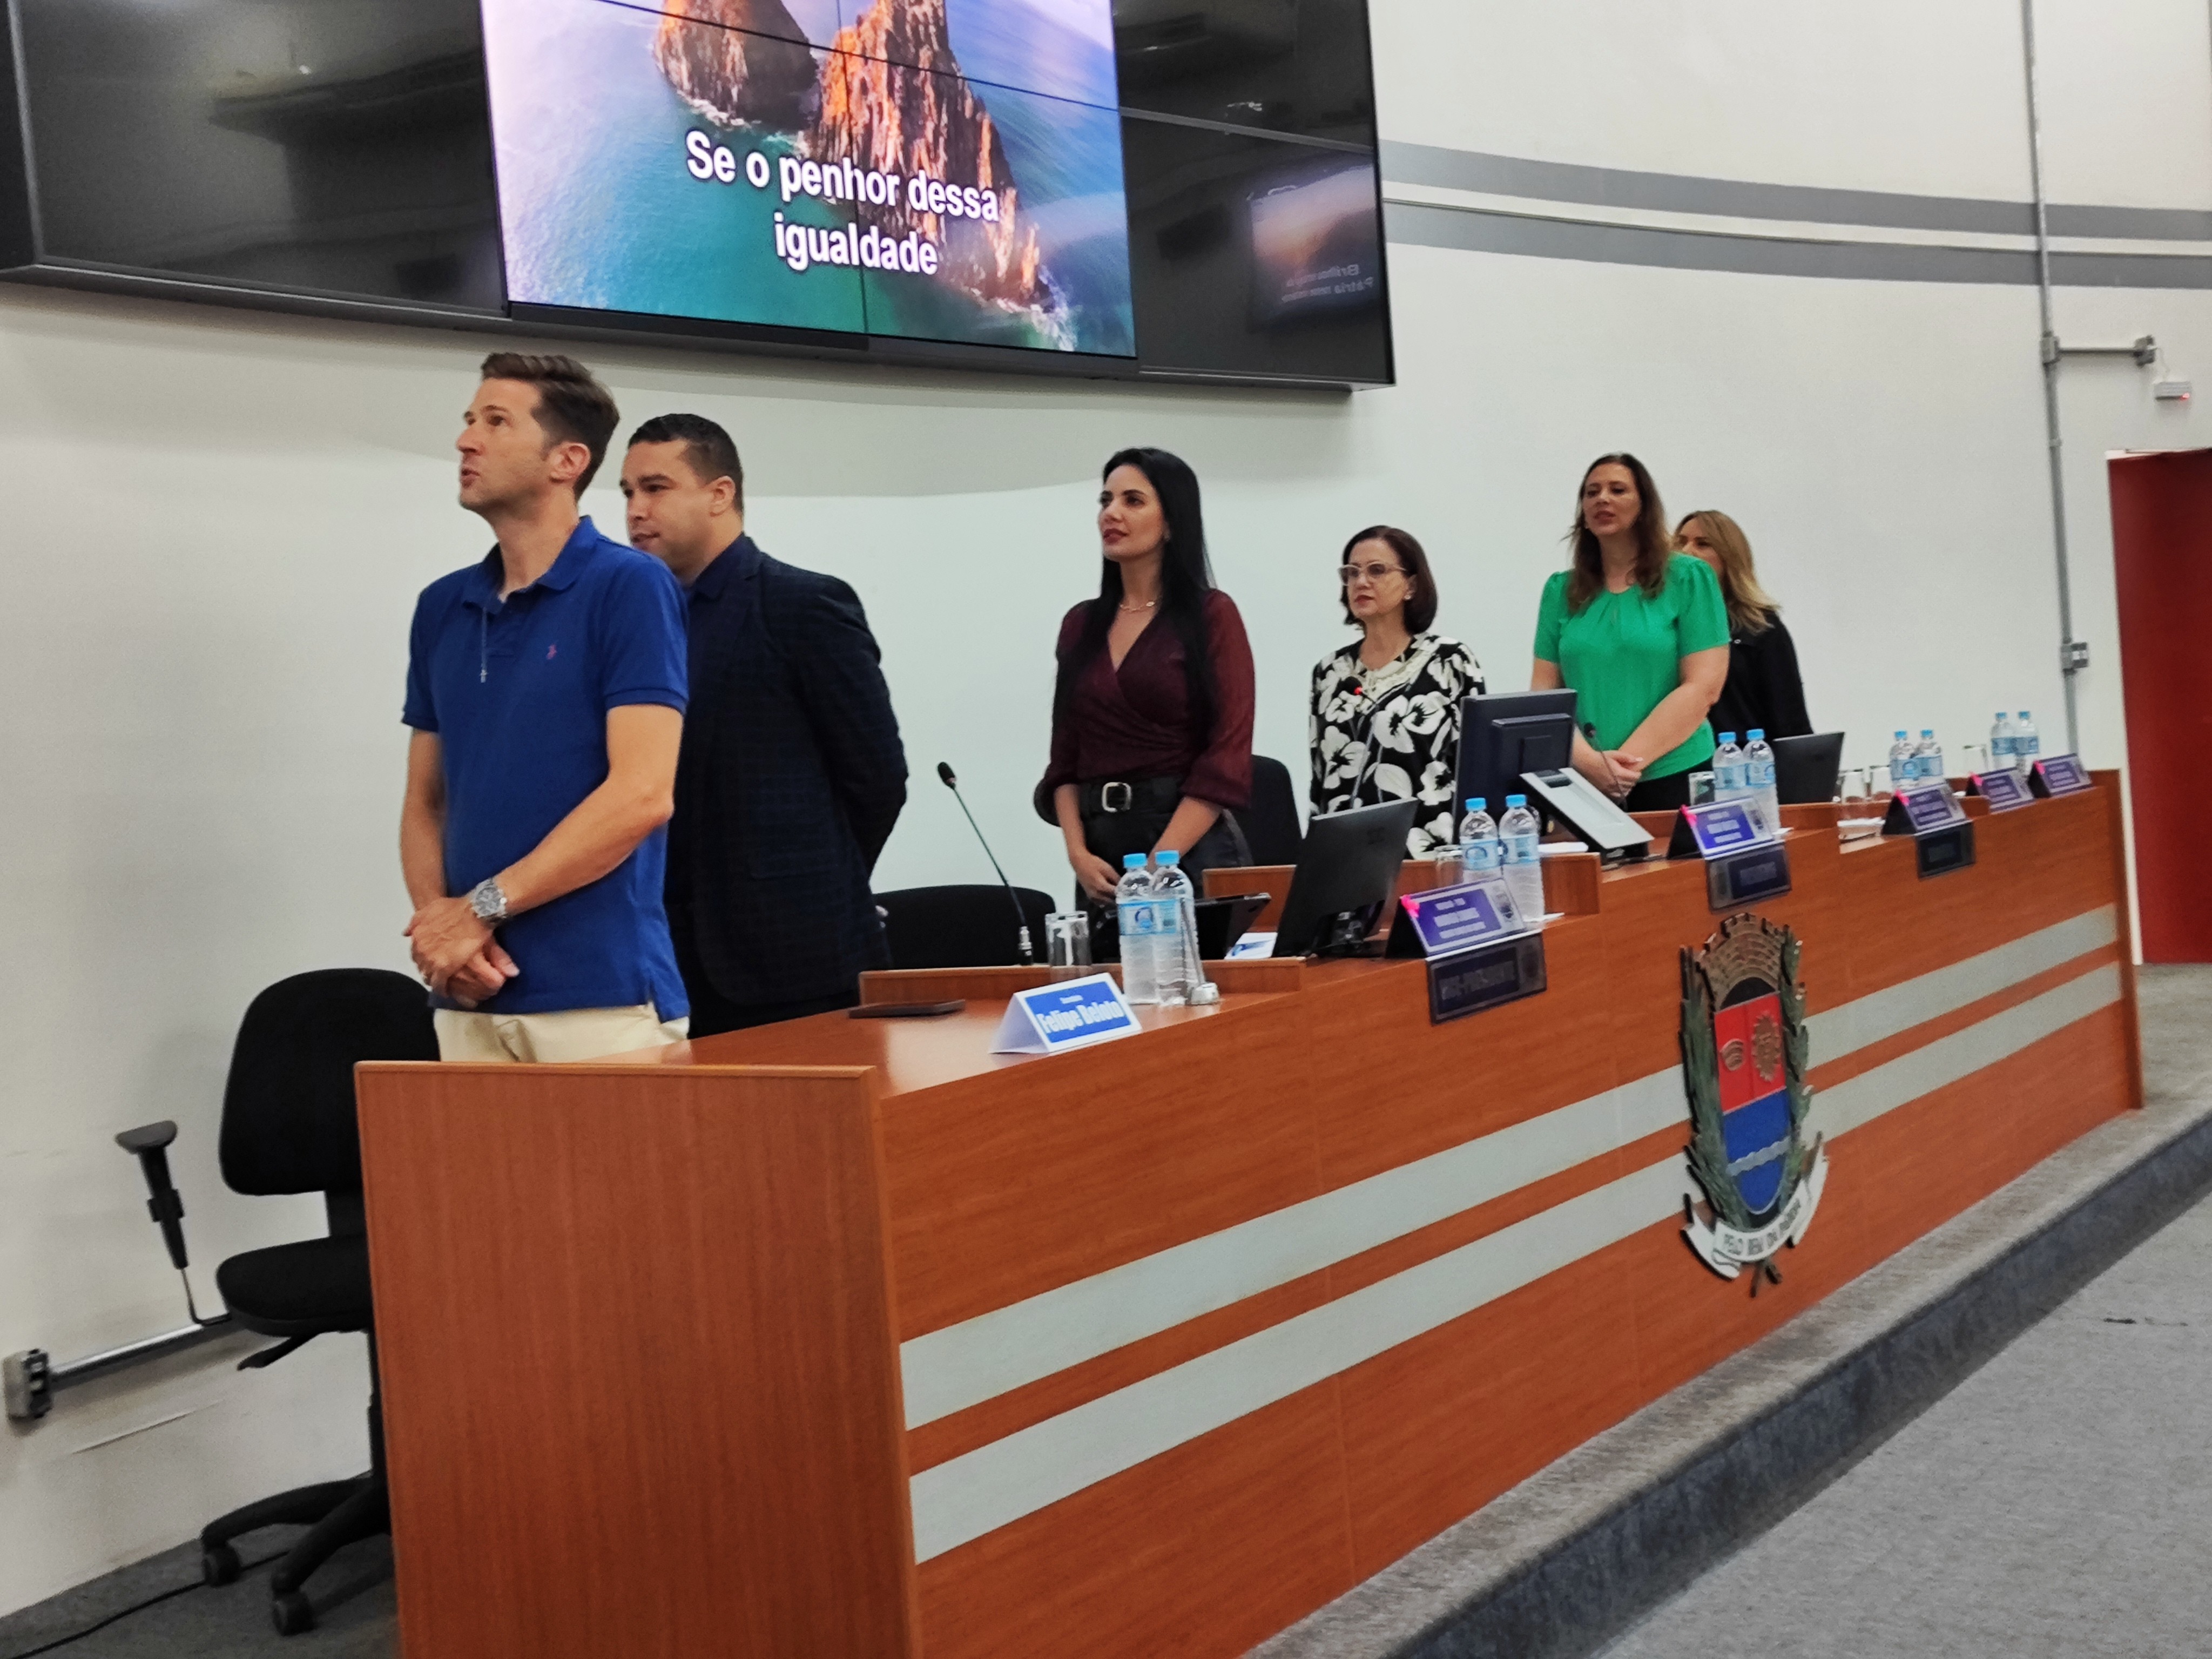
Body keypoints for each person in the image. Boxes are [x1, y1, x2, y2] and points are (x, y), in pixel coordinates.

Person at [400, 353, 690, 1062]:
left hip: (599, 993)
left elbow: (642, 795)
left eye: (496, 422)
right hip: (470, 993)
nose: (467, 440)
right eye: (469, 420)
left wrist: (479, 911)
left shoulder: (629, 586)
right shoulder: (441, 607)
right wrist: (441, 931)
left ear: (567, 460)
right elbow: (425, 801)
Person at [621, 413, 908, 1035]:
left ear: (719, 494)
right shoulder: (636, 622)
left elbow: (878, 779)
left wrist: (818, 883)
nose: (636, 510)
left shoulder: (800, 604)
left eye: (656, 488)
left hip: (797, 954)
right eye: (629, 492)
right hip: (667, 963)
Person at [1036, 447, 1256, 955]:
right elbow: (1064, 761)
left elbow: (1226, 757)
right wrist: (1077, 854)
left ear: (1172, 521)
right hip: (1103, 859)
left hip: (1186, 851)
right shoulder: (1080, 624)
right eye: (1105, 500)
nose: (1111, 513)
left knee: (1196, 995)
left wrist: (1158, 867)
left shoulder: (1212, 615)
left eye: (1132, 501)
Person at [1532, 453, 1729, 812]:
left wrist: (1624, 765)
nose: (1602, 499)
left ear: (1644, 506)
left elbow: (1703, 687)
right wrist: (1589, 763)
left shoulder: (1689, 578)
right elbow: (1543, 695)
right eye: (1592, 492)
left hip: (1675, 772)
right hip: (1586, 779)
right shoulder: (1560, 591)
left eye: (1618, 490)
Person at [1309, 525, 1485, 854]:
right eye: (1352, 573)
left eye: (1377, 570)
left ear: (1411, 586)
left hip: (1428, 850)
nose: (1361, 582)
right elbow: (1321, 777)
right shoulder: (1330, 672)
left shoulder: (1450, 660)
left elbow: (1478, 767)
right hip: (1346, 856)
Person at [1673, 509, 1812, 744]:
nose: (1687, 552)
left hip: (1743, 759)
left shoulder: (1759, 626)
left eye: (1703, 544)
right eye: (1681, 543)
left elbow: (1790, 720)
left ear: (1729, 558)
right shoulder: (1659, 625)